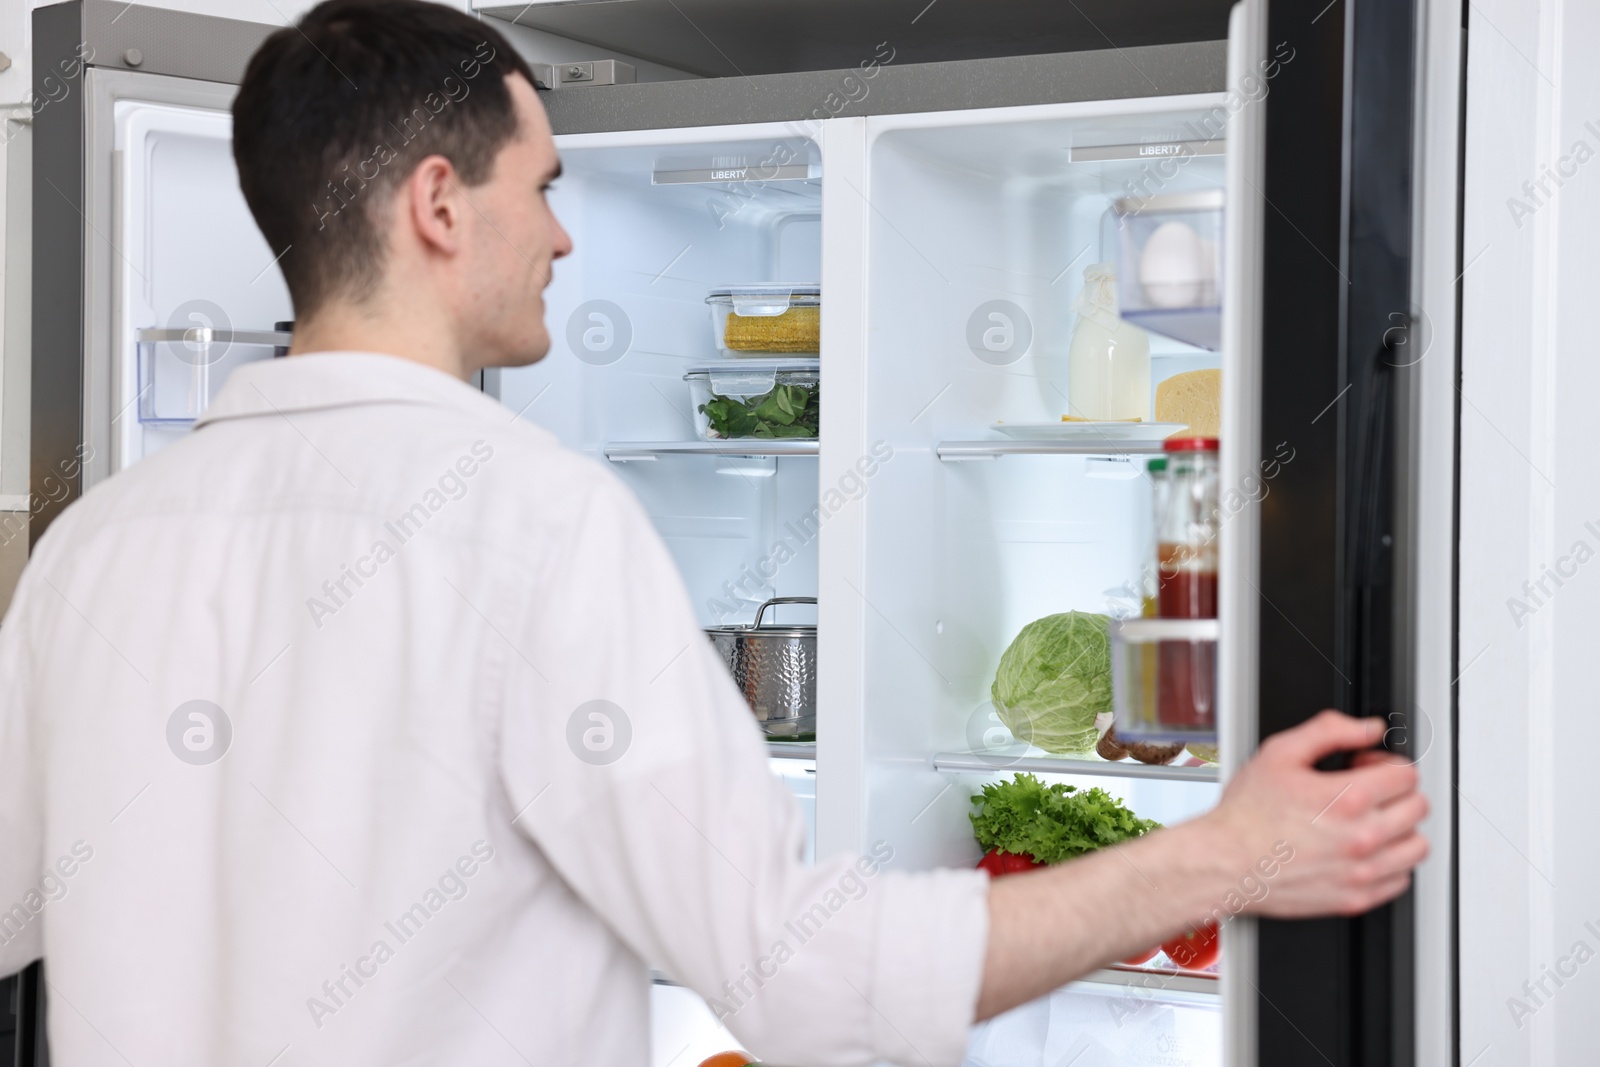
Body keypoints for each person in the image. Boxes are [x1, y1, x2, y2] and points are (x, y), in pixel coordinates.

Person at [0, 2, 1429, 1064]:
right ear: (438, 203)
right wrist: (1215, 856)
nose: (564, 236)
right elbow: (791, 975)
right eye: (543, 185)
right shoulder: (535, 524)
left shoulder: (91, 553)